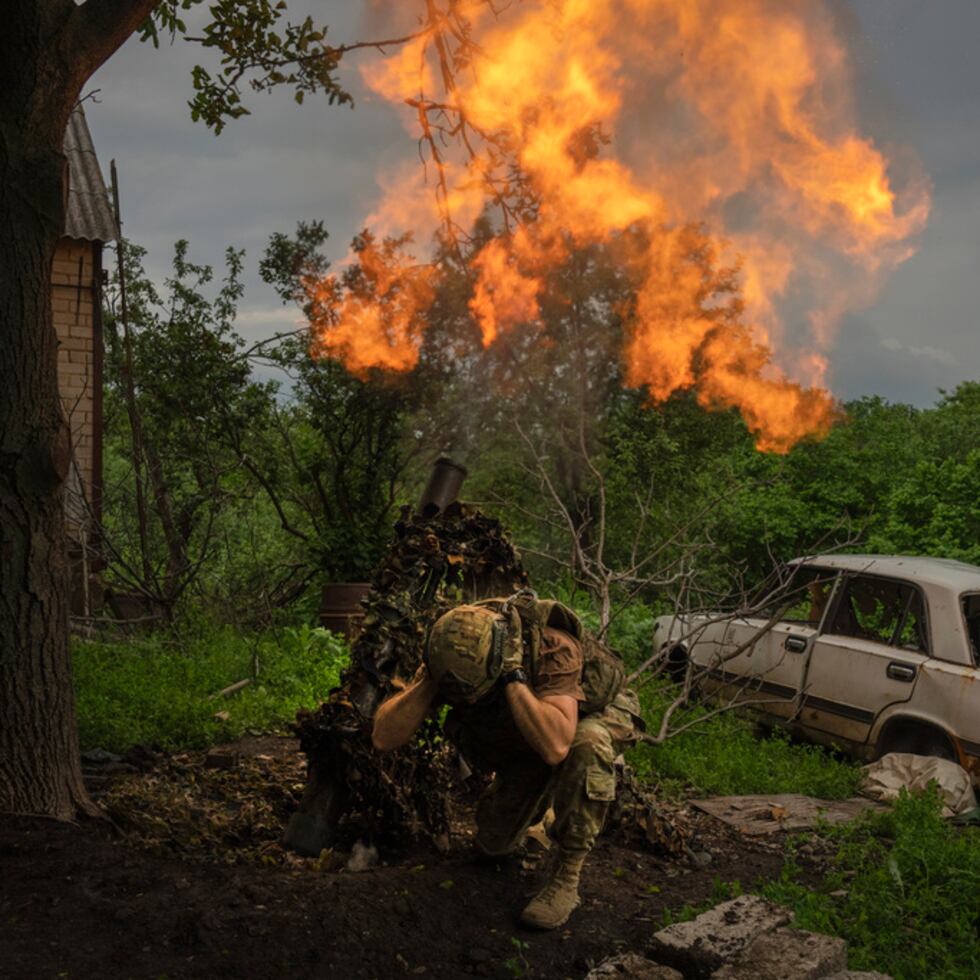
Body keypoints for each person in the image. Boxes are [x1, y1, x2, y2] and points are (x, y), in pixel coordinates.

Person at [372, 593, 642, 930]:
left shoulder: (552, 646)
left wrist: (513, 676)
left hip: (590, 710)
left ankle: (567, 875)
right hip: (535, 721)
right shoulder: (452, 646)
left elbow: (557, 744)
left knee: (585, 744)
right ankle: (542, 812)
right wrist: (429, 682)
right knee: (493, 846)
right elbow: (384, 737)